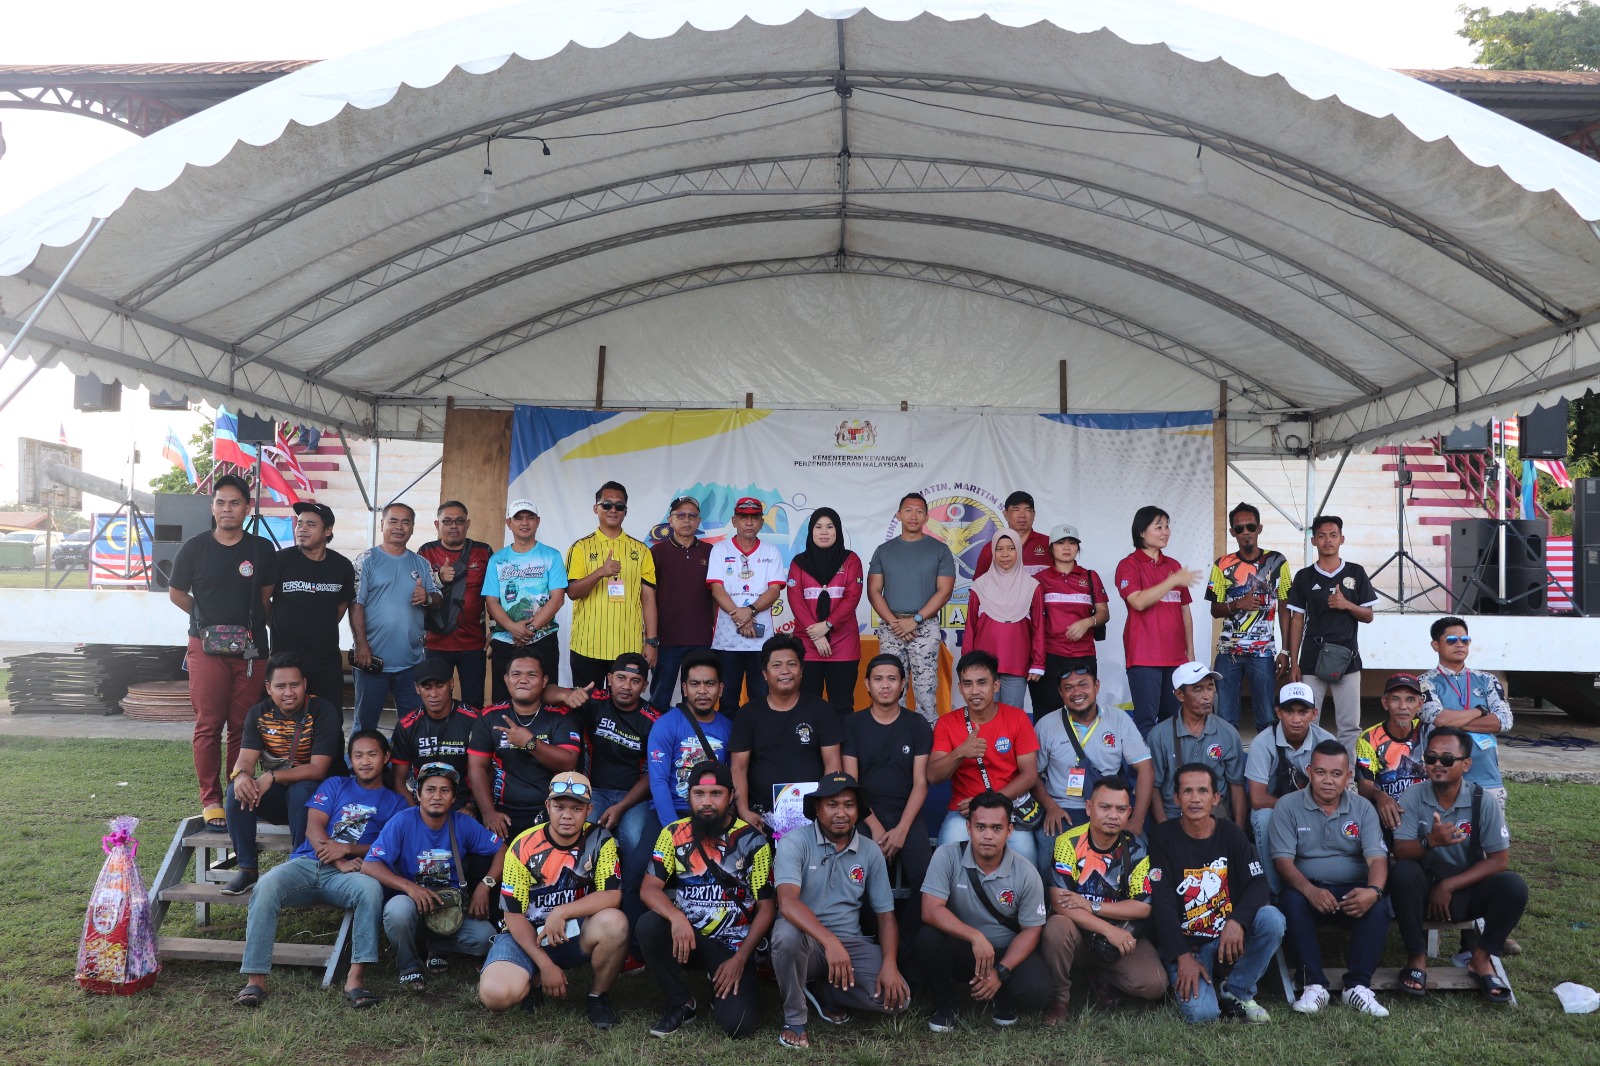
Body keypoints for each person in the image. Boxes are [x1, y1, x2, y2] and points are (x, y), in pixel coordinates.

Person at [234, 729, 408, 1008]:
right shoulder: (335, 784)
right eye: (358, 755)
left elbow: (389, 846)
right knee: (267, 884)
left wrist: (348, 850)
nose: (365, 761)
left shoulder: (396, 803)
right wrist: (337, 857)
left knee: (370, 890)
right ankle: (255, 980)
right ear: (350, 760)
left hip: (350, 875)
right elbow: (313, 827)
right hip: (308, 862)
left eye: (372, 754)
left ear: (386, 757)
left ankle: (355, 979)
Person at [479, 771, 630, 1030]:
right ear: (548, 806)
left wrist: (561, 912)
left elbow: (612, 895)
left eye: (577, 808)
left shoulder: (600, 838)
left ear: (589, 810)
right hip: (525, 935)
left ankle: (598, 996)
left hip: (570, 931)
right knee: (495, 996)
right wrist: (545, 964)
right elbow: (512, 916)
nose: (567, 815)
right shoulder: (522, 845)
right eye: (560, 807)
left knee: (615, 922)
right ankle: (534, 978)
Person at [168, 473, 276, 830]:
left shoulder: (261, 549)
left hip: (251, 649)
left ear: (247, 507)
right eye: (220, 502)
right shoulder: (194, 548)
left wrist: (242, 628)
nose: (227, 509)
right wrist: (207, 622)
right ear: (212, 507)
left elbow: (265, 598)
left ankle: (236, 793)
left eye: (234, 503)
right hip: (205, 647)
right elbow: (177, 593)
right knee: (209, 724)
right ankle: (211, 799)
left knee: (243, 725)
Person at [771, 772, 910, 1049]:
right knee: (786, 935)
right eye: (832, 805)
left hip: (850, 944)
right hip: (807, 943)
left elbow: (885, 916)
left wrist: (890, 965)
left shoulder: (870, 851)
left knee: (897, 999)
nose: (841, 813)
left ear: (858, 811)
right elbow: (787, 903)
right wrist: (830, 942)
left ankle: (825, 991)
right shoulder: (794, 842)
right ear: (817, 808)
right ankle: (795, 1018)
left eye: (849, 805)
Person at [639, 761, 775, 1039]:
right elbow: (649, 889)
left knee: (739, 1026)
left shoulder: (753, 841)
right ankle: (681, 1002)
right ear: (689, 796)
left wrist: (741, 957)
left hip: (732, 945)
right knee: (649, 925)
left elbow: (767, 908)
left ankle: (720, 984)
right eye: (699, 793)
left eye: (716, 793)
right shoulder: (672, 833)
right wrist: (676, 917)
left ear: (731, 795)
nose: (707, 802)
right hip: (687, 937)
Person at [1389, 726, 1526, 1003]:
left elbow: (1499, 860)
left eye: (1447, 759)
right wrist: (1432, 841)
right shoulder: (1413, 796)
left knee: (1514, 886)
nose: (1437, 764)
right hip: (1423, 887)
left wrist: (1450, 886)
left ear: (1466, 764)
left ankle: (1481, 958)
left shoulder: (1482, 801)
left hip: (1465, 887)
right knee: (1402, 872)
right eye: (1431, 758)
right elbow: (1401, 850)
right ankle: (1416, 958)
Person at [1148, 764, 1285, 1025]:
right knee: (1203, 1015)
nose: (1195, 798)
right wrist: (1182, 956)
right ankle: (1209, 986)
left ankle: (1237, 989)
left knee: (1272, 919)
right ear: (1176, 798)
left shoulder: (1230, 833)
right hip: (1189, 945)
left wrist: (1237, 921)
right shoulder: (1162, 837)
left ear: (1216, 798)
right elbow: (1162, 903)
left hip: (1227, 939)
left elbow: (1258, 884)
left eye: (1203, 791)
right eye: (1187, 791)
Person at [1268, 740, 1391, 1018]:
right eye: (1321, 772)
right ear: (1309, 772)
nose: (1328, 780)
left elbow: (1377, 859)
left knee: (1378, 906)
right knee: (1291, 901)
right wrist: (1310, 891)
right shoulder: (1288, 806)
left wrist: (1373, 891)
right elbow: (1283, 862)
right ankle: (1313, 985)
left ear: (1348, 776)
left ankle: (1357, 986)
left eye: (1336, 774)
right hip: (1308, 889)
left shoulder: (1363, 808)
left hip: (1351, 891)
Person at [361, 763, 507, 992]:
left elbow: (503, 850)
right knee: (397, 911)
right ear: (418, 795)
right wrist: (410, 888)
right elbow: (370, 864)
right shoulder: (402, 821)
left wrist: (485, 885)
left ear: (453, 798)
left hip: (448, 906)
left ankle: (433, 944)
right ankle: (409, 966)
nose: (437, 796)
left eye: (444, 790)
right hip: (410, 903)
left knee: (485, 939)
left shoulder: (463, 823)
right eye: (430, 789)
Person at [918, 790, 1052, 1031]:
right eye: (980, 827)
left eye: (996, 828)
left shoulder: (1026, 871)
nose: (988, 835)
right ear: (968, 828)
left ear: (1009, 831)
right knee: (927, 939)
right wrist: (975, 937)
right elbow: (930, 910)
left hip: (1005, 952)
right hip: (964, 949)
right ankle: (946, 1005)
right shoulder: (947, 855)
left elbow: (1032, 930)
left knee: (1037, 991)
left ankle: (1001, 993)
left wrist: (1001, 971)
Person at [1040, 777, 1166, 1023]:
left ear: (1129, 812)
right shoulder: (1068, 842)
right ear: (1089, 808)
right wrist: (1107, 929)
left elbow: (1143, 907)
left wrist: (1093, 906)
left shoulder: (1137, 849)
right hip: (1078, 934)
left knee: (1156, 984)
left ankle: (1101, 974)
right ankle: (1060, 999)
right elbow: (1059, 902)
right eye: (1105, 807)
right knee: (1056, 926)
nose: (1113, 815)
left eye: (1120, 809)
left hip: (1117, 938)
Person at [220, 652, 344, 895]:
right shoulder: (258, 714)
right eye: (280, 686)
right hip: (282, 799)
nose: (288, 692)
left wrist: (272, 776)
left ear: (305, 684)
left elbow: (318, 769)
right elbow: (245, 760)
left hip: (322, 801)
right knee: (237, 791)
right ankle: (247, 870)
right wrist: (242, 776)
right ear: (268, 688)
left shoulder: (322, 711)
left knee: (302, 789)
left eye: (294, 685)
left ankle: (300, 864)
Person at [841, 654, 933, 946]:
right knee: (857, 875)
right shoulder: (853, 723)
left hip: (907, 814)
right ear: (866, 684)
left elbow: (921, 782)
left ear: (903, 684)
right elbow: (851, 784)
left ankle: (904, 947)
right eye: (878, 679)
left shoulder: (917, 724)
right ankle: (874, 944)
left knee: (928, 879)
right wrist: (876, 828)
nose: (885, 685)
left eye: (892, 679)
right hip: (865, 815)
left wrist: (902, 830)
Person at [929, 650, 1042, 866]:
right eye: (968, 684)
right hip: (963, 814)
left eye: (982, 683)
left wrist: (988, 802)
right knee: (949, 854)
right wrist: (960, 752)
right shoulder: (947, 723)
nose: (975, 691)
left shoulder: (1017, 718)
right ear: (960, 688)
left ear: (996, 685)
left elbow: (1029, 775)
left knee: (1025, 855)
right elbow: (933, 776)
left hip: (1007, 808)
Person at [577, 653, 663, 933]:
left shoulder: (653, 719)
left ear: (644, 686)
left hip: (633, 797)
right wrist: (567, 695)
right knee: (581, 837)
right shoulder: (594, 701)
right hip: (595, 791)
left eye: (635, 681)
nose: (626, 686)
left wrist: (622, 806)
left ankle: (625, 909)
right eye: (621, 678)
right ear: (609, 679)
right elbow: (551, 692)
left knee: (635, 842)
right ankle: (582, 909)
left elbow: (654, 774)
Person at [1285, 515, 1377, 761]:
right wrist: (1294, 662)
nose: (1328, 540)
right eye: (1322, 535)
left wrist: (1347, 604)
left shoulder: (1356, 572)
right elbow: (1296, 620)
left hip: (1348, 659)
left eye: (1333, 535)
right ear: (1313, 540)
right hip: (1312, 659)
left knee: (1349, 726)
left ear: (1342, 539)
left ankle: (1347, 775)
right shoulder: (1304, 576)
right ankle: (1307, 771)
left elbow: (1368, 615)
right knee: (1306, 721)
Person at [729, 634, 842, 833]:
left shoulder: (821, 710)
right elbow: (738, 767)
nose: (785, 671)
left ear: (801, 671)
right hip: (759, 818)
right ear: (764, 673)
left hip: (812, 817)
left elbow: (833, 763)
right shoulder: (748, 714)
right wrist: (744, 811)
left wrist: (824, 808)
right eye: (777, 665)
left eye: (792, 664)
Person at [467, 653, 583, 842]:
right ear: (506, 679)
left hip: (550, 811)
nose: (523, 680)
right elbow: (476, 767)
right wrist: (488, 812)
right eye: (516, 674)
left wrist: (531, 743)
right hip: (502, 811)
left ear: (544, 681)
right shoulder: (490, 716)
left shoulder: (560, 716)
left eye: (532, 675)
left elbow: (568, 762)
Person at [350, 502, 442, 734]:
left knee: (413, 727)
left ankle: (407, 760)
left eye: (405, 522)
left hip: (411, 663)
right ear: (382, 524)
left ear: (412, 527)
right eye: (393, 521)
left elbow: (437, 598)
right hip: (371, 660)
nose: (399, 527)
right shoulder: (366, 560)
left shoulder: (421, 563)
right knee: (365, 726)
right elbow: (356, 604)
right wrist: (361, 645)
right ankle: (362, 759)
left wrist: (427, 598)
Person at [867, 493, 956, 724]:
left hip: (924, 627)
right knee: (890, 692)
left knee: (926, 694)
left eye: (919, 511)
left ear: (927, 517)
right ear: (898, 515)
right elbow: (874, 591)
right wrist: (895, 623)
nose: (913, 515)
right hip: (891, 628)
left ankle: (926, 743)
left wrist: (915, 620)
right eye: (908, 510)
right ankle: (893, 739)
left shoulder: (940, 550)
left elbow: (944, 591)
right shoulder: (883, 550)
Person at [1033, 665, 1153, 837]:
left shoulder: (1118, 718)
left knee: (1137, 848)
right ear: (1060, 692)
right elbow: (1033, 775)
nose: (1077, 692)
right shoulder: (1045, 725)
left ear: (1096, 686)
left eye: (1083, 685)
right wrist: (1051, 807)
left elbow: (1145, 768)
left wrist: (1137, 820)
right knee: (1049, 849)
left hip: (1109, 807)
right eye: (1068, 688)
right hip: (1064, 809)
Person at [263, 500, 354, 716]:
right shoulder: (280, 560)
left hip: (326, 662)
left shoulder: (342, 566)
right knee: (284, 722)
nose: (302, 529)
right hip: (285, 662)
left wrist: (321, 625)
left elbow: (343, 604)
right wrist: (277, 624)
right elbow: (263, 601)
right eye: (300, 523)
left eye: (310, 524)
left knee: (329, 720)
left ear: (328, 530)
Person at [1244, 681, 1336, 895]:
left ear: (1314, 713)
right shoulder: (1262, 743)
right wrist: (1298, 809)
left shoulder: (1327, 741)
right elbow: (1257, 799)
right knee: (1263, 817)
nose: (1296, 719)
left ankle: (1326, 885)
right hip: (1275, 809)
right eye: (1289, 711)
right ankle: (1275, 894)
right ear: (1278, 712)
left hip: (1317, 807)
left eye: (1303, 712)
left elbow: (1336, 791)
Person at [1206, 503, 1292, 731]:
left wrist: (1286, 651)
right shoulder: (1222, 564)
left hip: (1263, 653)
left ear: (1259, 528)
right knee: (1225, 720)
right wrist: (1238, 604)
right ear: (1232, 532)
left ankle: (1268, 756)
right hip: (1228, 653)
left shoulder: (1278, 561)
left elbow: (1285, 608)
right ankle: (1226, 756)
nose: (1245, 532)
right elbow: (1215, 610)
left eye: (1250, 527)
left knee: (1267, 719)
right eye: (1239, 528)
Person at [565, 481, 658, 689]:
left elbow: (648, 598)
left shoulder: (642, 550)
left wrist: (651, 642)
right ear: (596, 508)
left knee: (624, 704)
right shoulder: (580, 548)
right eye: (607, 505)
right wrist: (600, 572)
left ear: (626, 511)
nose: (613, 510)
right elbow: (572, 592)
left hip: (628, 646)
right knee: (586, 704)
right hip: (587, 645)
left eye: (619, 506)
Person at [1116, 505, 1198, 736]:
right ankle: (1146, 762)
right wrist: (1172, 581)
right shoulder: (1128, 565)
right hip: (1144, 657)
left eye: (1167, 526)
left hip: (1176, 658)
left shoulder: (1173, 566)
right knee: (1146, 721)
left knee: (1174, 721)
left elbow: (1185, 611)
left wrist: (1190, 653)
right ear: (1142, 532)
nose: (1165, 532)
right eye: (1158, 527)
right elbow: (1138, 601)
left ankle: (1170, 762)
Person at [482, 498, 568, 704]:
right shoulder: (497, 560)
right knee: (503, 701)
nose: (524, 522)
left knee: (546, 698)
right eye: (518, 518)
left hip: (543, 639)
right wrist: (512, 628)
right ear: (509, 523)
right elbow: (491, 601)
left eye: (530, 518)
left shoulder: (552, 556)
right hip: (506, 640)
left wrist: (530, 629)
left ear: (538, 521)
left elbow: (557, 599)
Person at [707, 496, 787, 715]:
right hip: (726, 642)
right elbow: (716, 588)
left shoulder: (771, 551)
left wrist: (749, 611)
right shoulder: (720, 550)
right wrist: (740, 616)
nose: (749, 522)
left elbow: (774, 590)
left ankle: (757, 739)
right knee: (727, 702)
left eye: (754, 518)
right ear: (734, 521)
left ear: (762, 522)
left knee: (760, 700)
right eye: (743, 517)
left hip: (761, 642)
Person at [1418, 617, 1511, 804]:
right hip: (1442, 776)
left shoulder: (1487, 680)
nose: (1460, 644)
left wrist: (1453, 722)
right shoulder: (1424, 682)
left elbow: (1503, 721)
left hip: (1487, 776)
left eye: (1465, 640)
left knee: (1490, 824)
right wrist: (1480, 711)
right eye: (1452, 640)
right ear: (1435, 645)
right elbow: (1439, 719)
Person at [787, 507, 866, 718]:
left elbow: (852, 597)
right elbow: (795, 600)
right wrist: (816, 634)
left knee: (841, 706)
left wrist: (827, 625)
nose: (824, 532)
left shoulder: (851, 560)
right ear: (811, 531)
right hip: (808, 643)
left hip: (843, 644)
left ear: (837, 531)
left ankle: (840, 742)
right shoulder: (798, 563)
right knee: (806, 707)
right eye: (818, 527)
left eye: (829, 527)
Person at [1147, 662, 1246, 825]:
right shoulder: (1159, 735)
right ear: (1180, 695)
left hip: (1215, 816)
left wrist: (1239, 832)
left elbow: (1236, 785)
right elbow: (1153, 787)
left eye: (1210, 687)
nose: (1207, 696)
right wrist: (1164, 829)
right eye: (1198, 689)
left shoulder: (1228, 733)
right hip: (1174, 816)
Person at [418, 500, 492, 708]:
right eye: (447, 521)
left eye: (459, 521)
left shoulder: (483, 551)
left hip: (474, 643)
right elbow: (416, 592)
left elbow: (494, 594)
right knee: (436, 701)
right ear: (437, 524)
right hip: (436, 643)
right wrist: (438, 578)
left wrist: (496, 630)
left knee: (474, 702)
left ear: (467, 524)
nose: (453, 526)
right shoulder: (425, 551)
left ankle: (472, 732)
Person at [647, 651, 735, 825]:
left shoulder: (729, 728)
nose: (702, 691)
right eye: (695, 684)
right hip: (673, 810)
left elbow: (734, 779)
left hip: (713, 813)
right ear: (685, 689)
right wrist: (672, 828)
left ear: (720, 689)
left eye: (710, 684)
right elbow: (658, 781)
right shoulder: (665, 725)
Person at [1031, 524, 1109, 716]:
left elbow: (1103, 613)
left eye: (1072, 543)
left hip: (1084, 654)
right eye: (1061, 543)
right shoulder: (1038, 579)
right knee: (1047, 714)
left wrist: (1087, 622)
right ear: (1051, 548)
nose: (1066, 547)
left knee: (1083, 712)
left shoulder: (1090, 576)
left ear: (1077, 548)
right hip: (1050, 656)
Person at [965, 530, 1045, 711]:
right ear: (993, 552)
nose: (1005, 554)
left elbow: (1038, 627)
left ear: (1019, 551)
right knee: (984, 714)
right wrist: (967, 661)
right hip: (983, 665)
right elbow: (970, 626)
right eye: (999, 549)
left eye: (1011, 548)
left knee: (1012, 716)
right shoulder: (979, 586)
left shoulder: (1032, 586)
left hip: (1016, 663)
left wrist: (1038, 663)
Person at [649, 494, 716, 710]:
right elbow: (647, 597)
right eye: (681, 515)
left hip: (701, 639)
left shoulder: (711, 552)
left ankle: (692, 733)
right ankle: (657, 732)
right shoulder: (656, 552)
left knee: (697, 700)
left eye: (692, 516)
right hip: (666, 639)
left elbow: (717, 594)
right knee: (660, 698)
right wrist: (650, 638)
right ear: (671, 520)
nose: (687, 520)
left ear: (699, 521)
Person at [390, 657, 481, 806]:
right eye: (427, 687)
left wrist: (472, 807)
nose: (433, 694)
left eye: (440, 686)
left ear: (451, 684)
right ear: (417, 689)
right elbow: (398, 781)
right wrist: (416, 814)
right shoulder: (406, 725)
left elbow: (487, 771)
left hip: (465, 803)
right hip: (423, 804)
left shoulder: (475, 720)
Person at [1356, 673, 1427, 836]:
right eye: (1395, 699)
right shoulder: (1369, 738)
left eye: (1410, 699)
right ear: (1385, 703)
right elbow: (1364, 785)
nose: (1403, 706)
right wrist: (1380, 795)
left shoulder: (1428, 731)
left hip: (1425, 811)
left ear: (1420, 704)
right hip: (1389, 812)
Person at [973, 491, 1052, 577]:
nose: (1022, 515)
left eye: (1027, 510)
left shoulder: (1050, 544)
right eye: (1016, 509)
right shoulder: (990, 548)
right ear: (1005, 514)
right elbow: (978, 584)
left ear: (1034, 514)